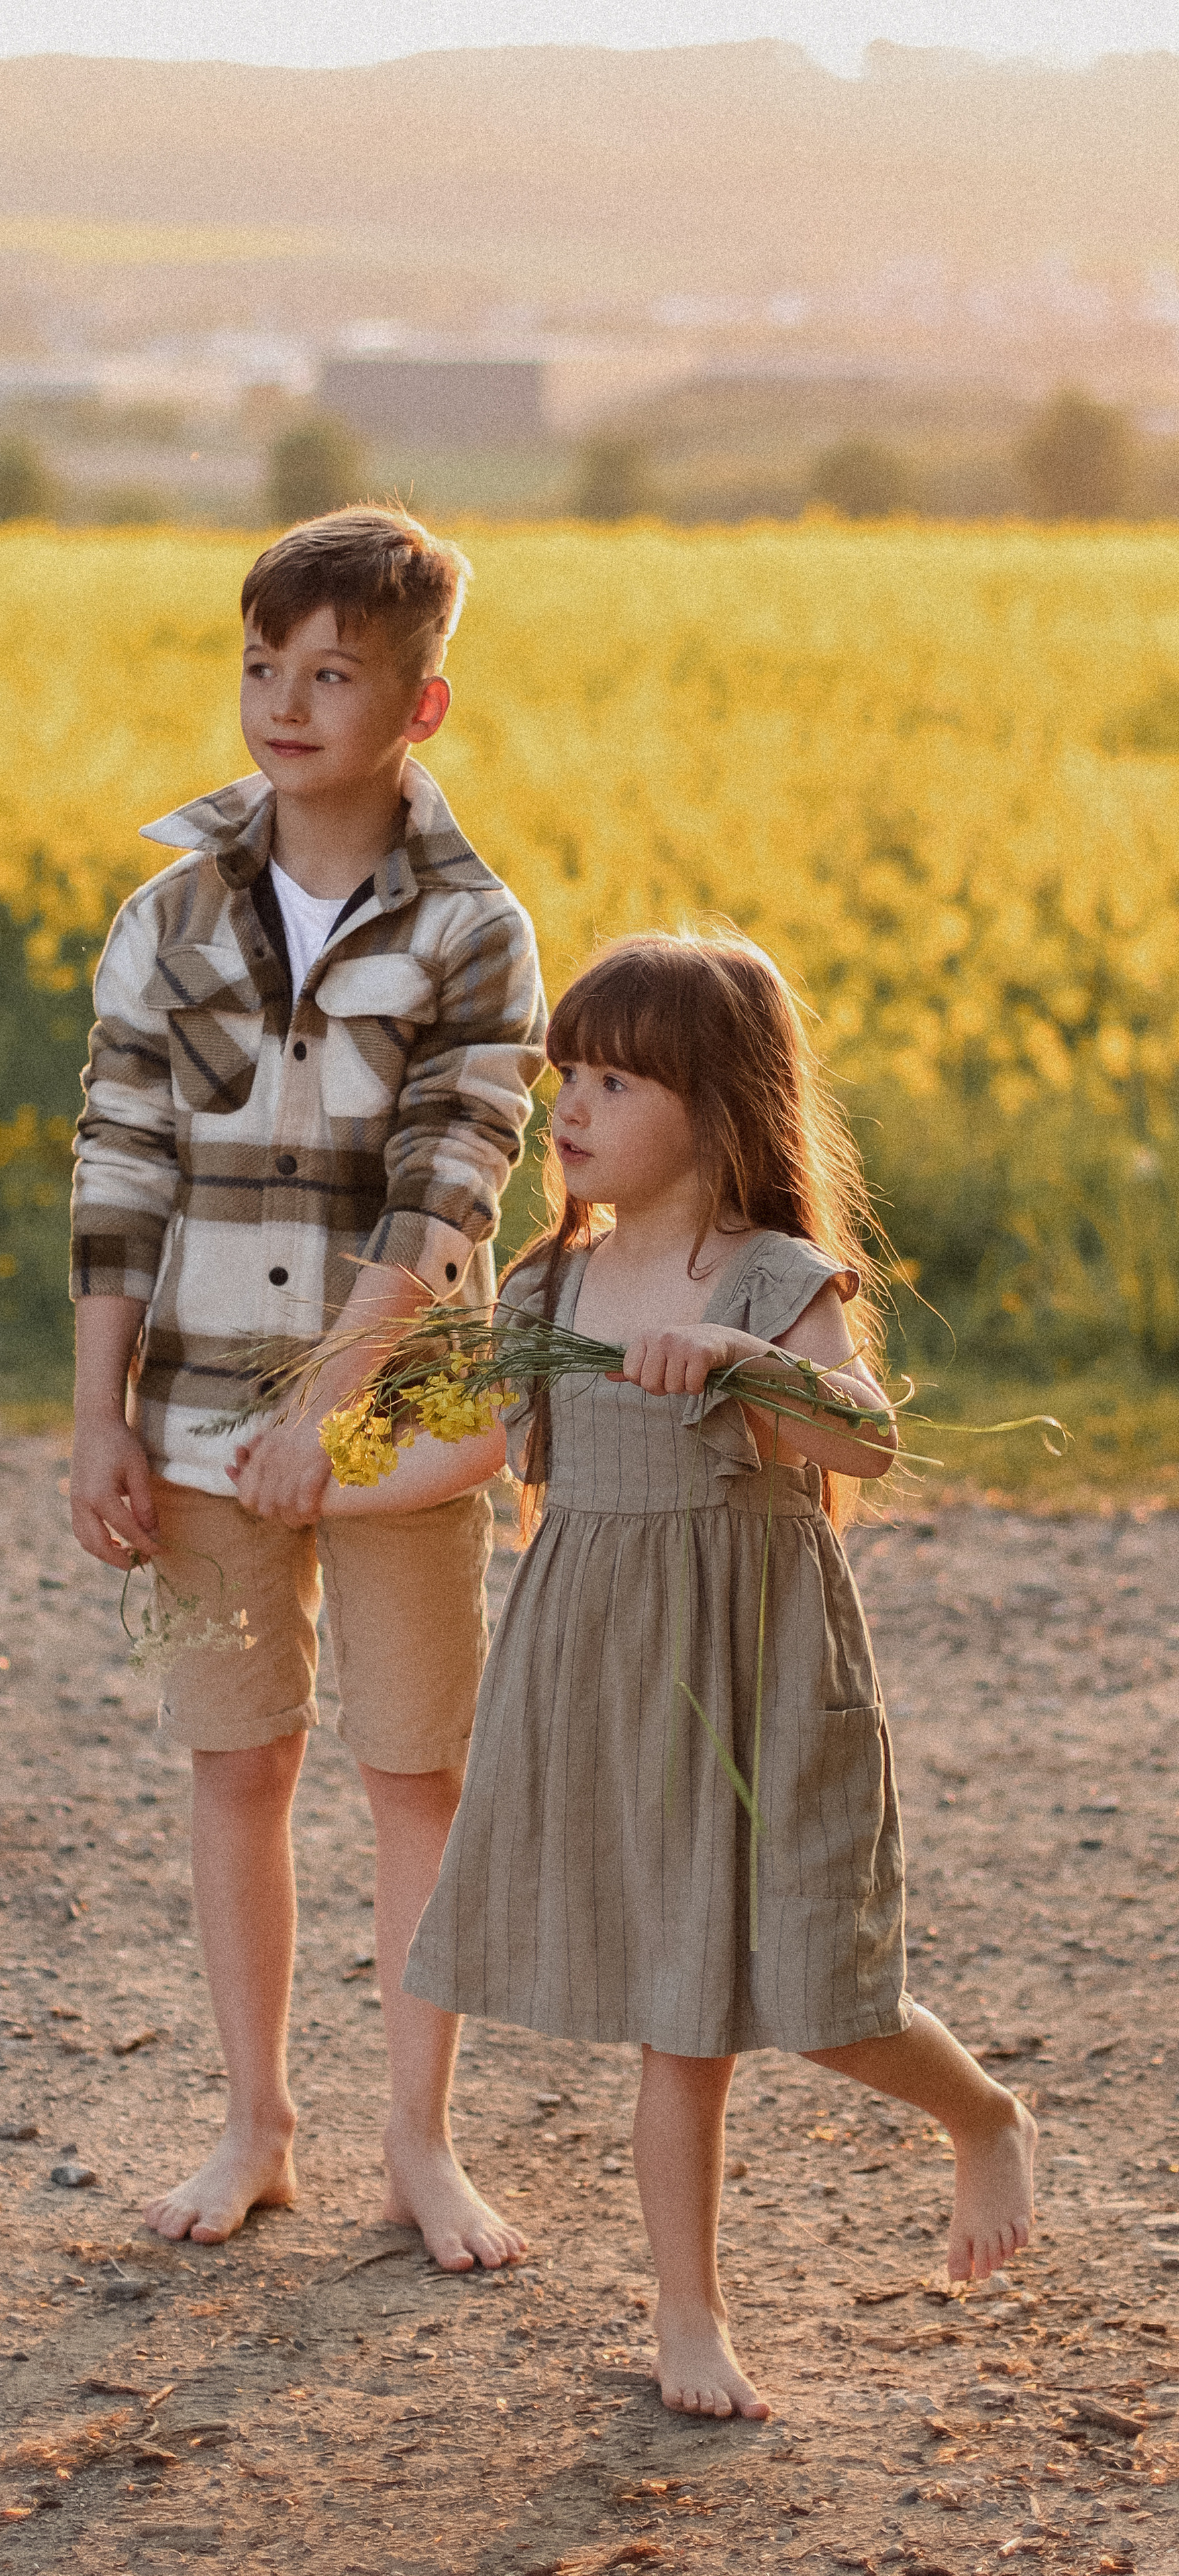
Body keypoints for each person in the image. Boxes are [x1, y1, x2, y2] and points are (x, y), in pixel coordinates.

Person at [347, 928, 1037, 2414]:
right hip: (609, 1685)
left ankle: (980, 2115)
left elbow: (861, 1437)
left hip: (754, 1681)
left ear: (717, 1107)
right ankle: (687, 2317)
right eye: (566, 1078)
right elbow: (486, 1453)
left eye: (613, 1080)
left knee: (819, 1992)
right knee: (678, 2005)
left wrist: (741, 1364)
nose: (571, 1109)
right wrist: (329, 1489)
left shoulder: (772, 1277)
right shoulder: (544, 1292)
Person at [67, 505, 547, 2269]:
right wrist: (99, 1414)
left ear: (420, 706)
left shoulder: (478, 932)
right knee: (235, 1766)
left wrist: (323, 1413)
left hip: (405, 1433)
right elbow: (117, 1171)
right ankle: (257, 2121)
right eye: (263, 665)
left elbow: (449, 1194)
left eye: (332, 672)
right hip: (192, 1417)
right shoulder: (166, 910)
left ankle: (421, 2141)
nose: (284, 701)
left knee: (416, 1774)